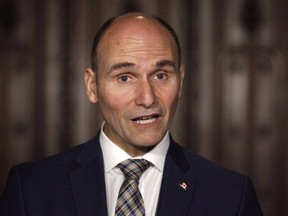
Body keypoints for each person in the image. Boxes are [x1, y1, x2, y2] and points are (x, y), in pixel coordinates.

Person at [0, 12, 263, 216]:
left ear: (180, 81)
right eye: (125, 78)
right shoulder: (32, 189)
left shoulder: (230, 196)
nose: (147, 98)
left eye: (161, 75)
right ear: (92, 86)